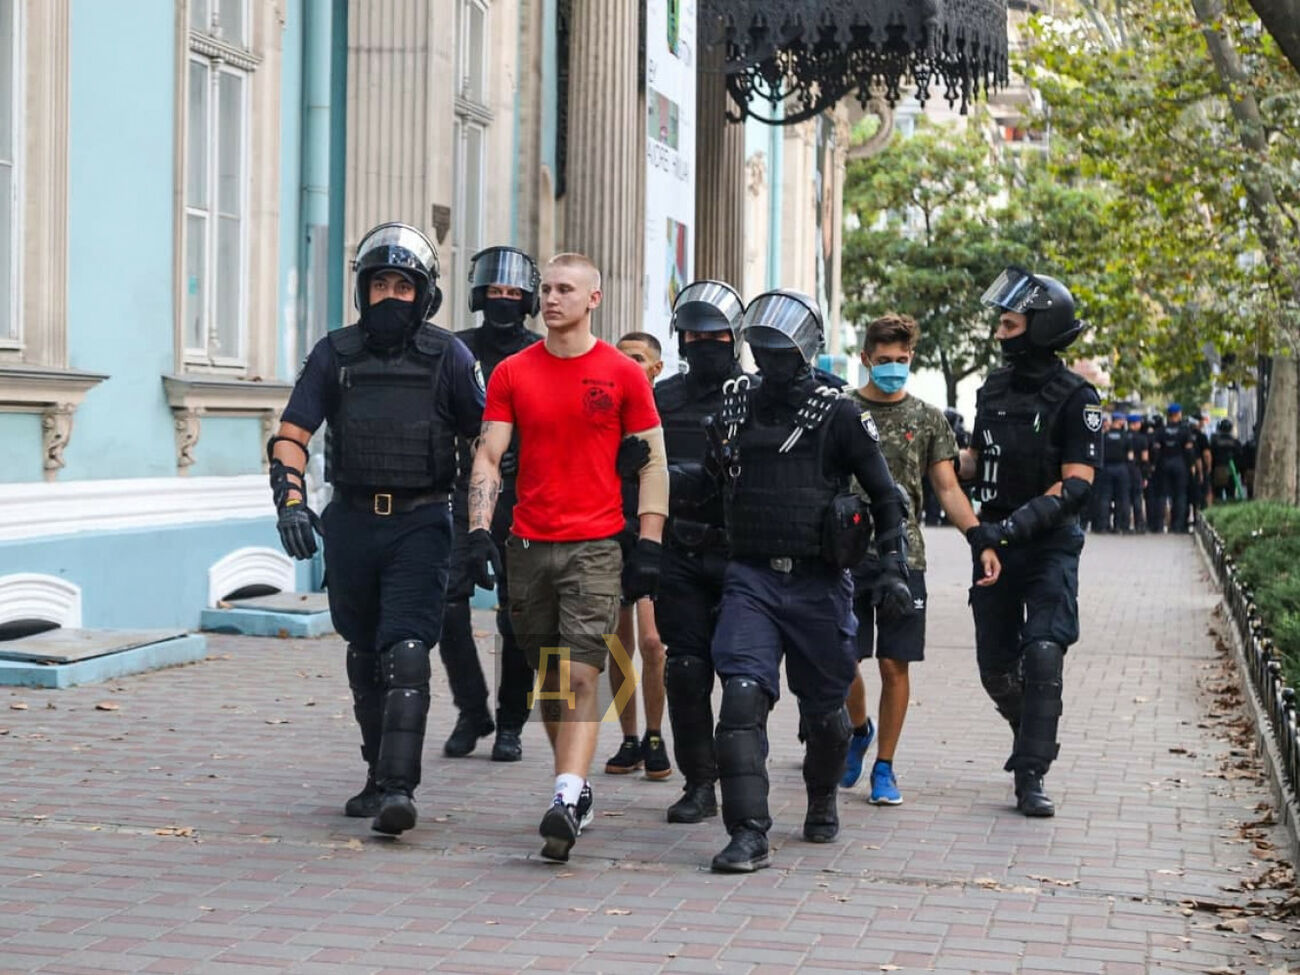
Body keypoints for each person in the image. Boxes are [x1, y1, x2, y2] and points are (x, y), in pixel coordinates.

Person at [268, 222, 485, 836]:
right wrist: (290, 502)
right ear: (363, 289)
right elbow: (292, 434)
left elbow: (488, 443)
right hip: (352, 522)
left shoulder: (450, 356)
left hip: (421, 521)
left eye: (403, 286)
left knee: (407, 649)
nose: (391, 296)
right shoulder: (334, 353)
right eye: (380, 284)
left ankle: (398, 789)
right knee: (364, 652)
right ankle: (374, 774)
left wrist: (481, 527)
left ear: (425, 294)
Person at [696, 289, 913, 873]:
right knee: (741, 697)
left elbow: (886, 497)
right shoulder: (735, 407)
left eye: (782, 351)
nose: (770, 361)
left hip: (819, 582)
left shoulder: (839, 413)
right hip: (752, 578)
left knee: (824, 712)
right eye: (762, 349)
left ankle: (821, 797)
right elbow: (712, 485)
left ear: (806, 351)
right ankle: (748, 833)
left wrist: (893, 568)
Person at [466, 253, 669, 863]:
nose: (552, 299)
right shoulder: (512, 372)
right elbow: (488, 453)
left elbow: (654, 463)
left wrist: (649, 543)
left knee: (582, 674)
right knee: (550, 682)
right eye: (547, 290)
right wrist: (478, 529)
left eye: (565, 290)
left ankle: (565, 794)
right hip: (527, 546)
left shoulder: (622, 373)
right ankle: (574, 788)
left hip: (595, 547)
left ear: (593, 299)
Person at [840, 314, 999, 806]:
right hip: (844, 553)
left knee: (894, 664)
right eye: (884, 360)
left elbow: (947, 488)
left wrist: (979, 539)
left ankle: (884, 767)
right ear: (866, 359)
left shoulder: (928, 418)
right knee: (842, 660)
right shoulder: (840, 409)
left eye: (902, 360)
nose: (893, 367)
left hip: (904, 557)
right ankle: (859, 729)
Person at [962, 266, 1101, 818]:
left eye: (1010, 325)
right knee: (996, 669)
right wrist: (936, 453)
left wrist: (1014, 527)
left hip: (1048, 544)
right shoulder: (991, 389)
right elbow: (977, 461)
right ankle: (1033, 730)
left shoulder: (1077, 397)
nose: (1000, 334)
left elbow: (1077, 484)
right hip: (993, 544)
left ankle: (1031, 773)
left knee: (1042, 652)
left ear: (1040, 329)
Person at [439, 247, 543, 762]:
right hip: (463, 491)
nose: (504, 299)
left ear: (528, 299)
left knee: (518, 613)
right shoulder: (455, 349)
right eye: (495, 291)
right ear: (480, 295)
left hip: (527, 494)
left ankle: (511, 722)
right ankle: (471, 709)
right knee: (447, 604)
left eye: (513, 292)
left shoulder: (544, 353)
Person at [653, 281, 747, 824]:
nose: (704, 344)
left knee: (742, 678)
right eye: (694, 336)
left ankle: (743, 780)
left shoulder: (756, 395)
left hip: (743, 554)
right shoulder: (662, 399)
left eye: (716, 336)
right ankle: (699, 783)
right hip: (680, 553)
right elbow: (637, 473)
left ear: (735, 338)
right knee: (686, 670)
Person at [603, 331, 672, 780]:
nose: (630, 364)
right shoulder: (606, 410)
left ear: (656, 368)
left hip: (652, 537)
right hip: (611, 533)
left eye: (638, 358)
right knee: (618, 642)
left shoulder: (667, 409)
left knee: (652, 642)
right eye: (622, 357)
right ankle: (629, 738)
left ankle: (655, 734)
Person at [1152, 404, 1197, 533]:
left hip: (1164, 464)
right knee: (1180, 495)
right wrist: (1191, 464)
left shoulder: (1160, 431)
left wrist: (1154, 464)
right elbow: (1189, 450)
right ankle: (1178, 526)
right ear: (1178, 414)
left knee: (1162, 495)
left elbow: (1156, 450)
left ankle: (1159, 525)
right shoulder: (1185, 430)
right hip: (1180, 464)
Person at [1091, 413, 1132, 533]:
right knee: (1122, 497)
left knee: (1105, 497)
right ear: (1119, 421)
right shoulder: (1125, 436)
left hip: (1106, 468)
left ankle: (1103, 525)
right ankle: (1121, 525)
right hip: (1121, 468)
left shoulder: (1104, 436)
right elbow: (1130, 456)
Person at [1209, 418, 1243, 503]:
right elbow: (1240, 457)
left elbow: (1211, 455)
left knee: (1218, 495)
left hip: (1218, 470)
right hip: (1232, 471)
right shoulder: (1235, 442)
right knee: (1231, 495)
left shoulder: (1214, 442)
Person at [1126, 413, 1150, 533]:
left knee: (1124, 498)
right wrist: (1145, 475)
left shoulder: (1123, 436)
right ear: (1135, 424)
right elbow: (1145, 458)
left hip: (1124, 469)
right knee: (1137, 498)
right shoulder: (1142, 438)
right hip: (1136, 470)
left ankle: (1123, 524)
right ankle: (1139, 525)